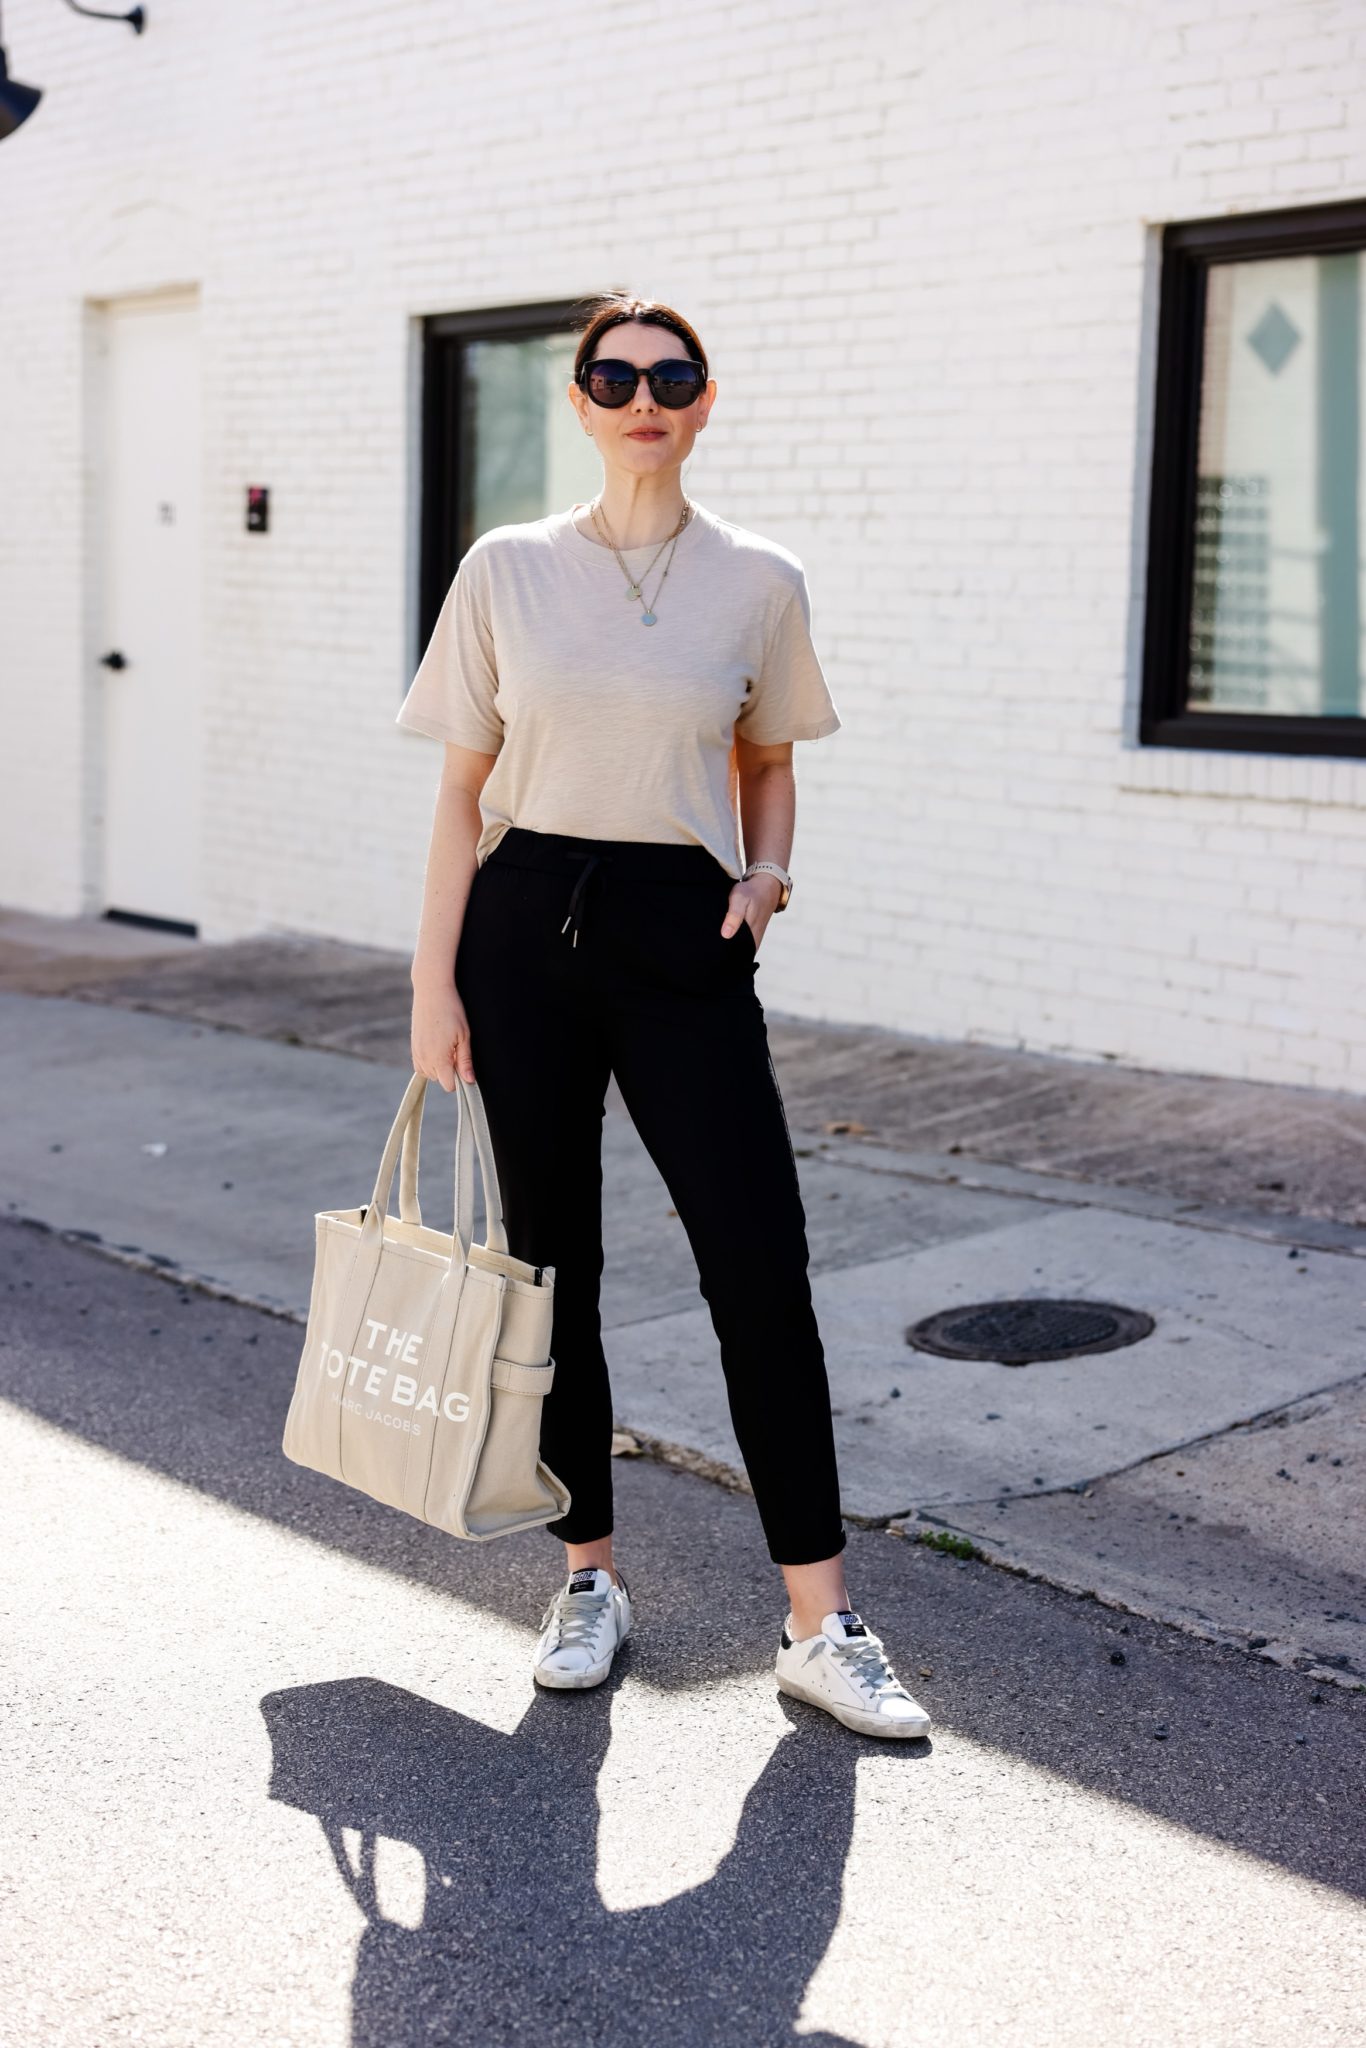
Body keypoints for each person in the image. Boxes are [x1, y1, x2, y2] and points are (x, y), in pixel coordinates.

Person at [400, 291, 929, 1741]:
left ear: (704, 402)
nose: (643, 394)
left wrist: (766, 877)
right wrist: (429, 984)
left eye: (671, 374)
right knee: (549, 1263)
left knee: (758, 1263)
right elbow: (459, 797)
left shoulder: (757, 579)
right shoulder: (506, 569)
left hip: (681, 936)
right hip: (522, 930)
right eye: (614, 374)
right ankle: (586, 1579)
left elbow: (767, 756)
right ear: (576, 402)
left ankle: (820, 1623)